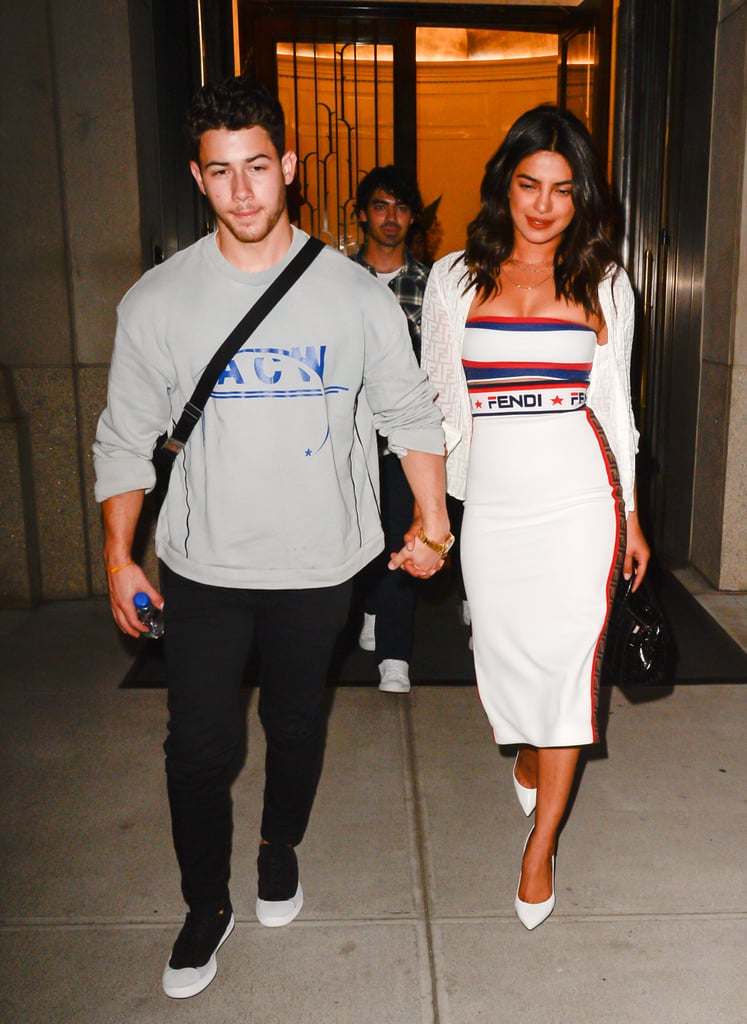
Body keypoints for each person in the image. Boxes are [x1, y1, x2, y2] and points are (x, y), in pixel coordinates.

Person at [93, 76, 451, 999]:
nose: (243, 190)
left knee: (296, 724)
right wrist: (118, 555)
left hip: (321, 563)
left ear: (288, 165)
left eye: (259, 166)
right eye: (222, 172)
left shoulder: (351, 294)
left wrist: (433, 517)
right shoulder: (157, 302)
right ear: (197, 178)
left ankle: (277, 845)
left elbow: (408, 413)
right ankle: (204, 903)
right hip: (203, 566)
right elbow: (124, 437)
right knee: (198, 748)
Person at [420, 105, 650, 930]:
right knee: (501, 653)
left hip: (581, 500)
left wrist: (631, 516)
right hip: (496, 505)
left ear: (581, 197)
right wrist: (430, 515)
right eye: (528, 186)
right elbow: (439, 411)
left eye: (561, 190)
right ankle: (525, 746)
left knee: (567, 674)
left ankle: (540, 845)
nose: (544, 206)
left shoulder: (604, 283)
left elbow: (616, 410)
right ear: (503, 186)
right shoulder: (452, 279)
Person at [350, 165, 431, 693]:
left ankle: (395, 657)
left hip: (404, 439)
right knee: (356, 535)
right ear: (362, 214)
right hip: (347, 438)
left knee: (405, 532)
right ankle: (372, 609)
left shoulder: (430, 286)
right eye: (381, 206)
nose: (391, 217)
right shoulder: (336, 279)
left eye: (401, 208)